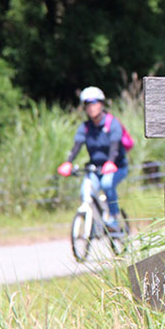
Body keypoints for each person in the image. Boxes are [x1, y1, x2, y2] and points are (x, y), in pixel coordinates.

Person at [57, 86, 129, 232]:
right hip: (95, 168)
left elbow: (115, 146)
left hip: (116, 166)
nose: (91, 108)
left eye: (94, 103)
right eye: (87, 104)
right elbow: (77, 146)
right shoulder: (85, 127)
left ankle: (114, 218)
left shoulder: (112, 123)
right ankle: (95, 222)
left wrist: (110, 162)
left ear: (101, 104)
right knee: (86, 191)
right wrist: (68, 162)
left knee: (107, 184)